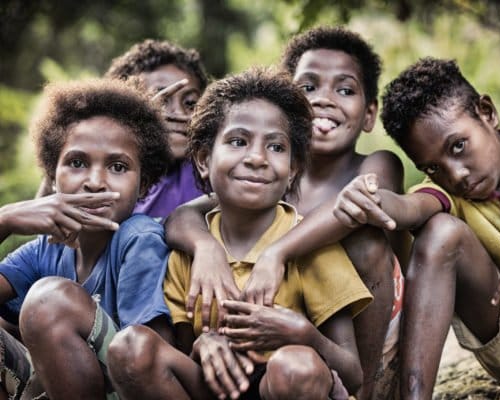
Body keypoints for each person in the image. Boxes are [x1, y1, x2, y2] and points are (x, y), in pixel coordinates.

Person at [164, 26, 409, 399]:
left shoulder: (373, 164)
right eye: (309, 88)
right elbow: (186, 214)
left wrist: (276, 253)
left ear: (368, 113)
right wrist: (205, 247)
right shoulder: (258, 181)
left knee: (365, 242)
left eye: (344, 89)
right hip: (272, 360)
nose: (324, 100)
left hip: (357, 333)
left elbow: (348, 210)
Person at [332, 57, 500, 399]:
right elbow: (411, 207)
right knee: (441, 232)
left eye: (458, 146)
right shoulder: (452, 195)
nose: (455, 174)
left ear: (486, 112)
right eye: (432, 167)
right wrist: (367, 198)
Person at [106, 67, 373, 400]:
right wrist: (205, 343)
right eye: (238, 141)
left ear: (291, 171)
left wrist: (304, 335)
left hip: (285, 387)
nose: (257, 158)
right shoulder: (188, 255)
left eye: (276, 147)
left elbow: (353, 374)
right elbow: (183, 356)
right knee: (131, 346)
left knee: (296, 366)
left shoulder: (310, 246)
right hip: (215, 390)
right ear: (203, 160)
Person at [0, 78, 174, 399]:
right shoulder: (46, 249)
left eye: (118, 166)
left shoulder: (139, 238)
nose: (95, 182)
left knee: (49, 300)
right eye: (77, 163)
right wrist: (6, 219)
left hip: (131, 387)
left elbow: (148, 358)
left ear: (145, 185)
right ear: (52, 178)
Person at [36, 39, 209, 222]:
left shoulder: (210, 169)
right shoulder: (108, 179)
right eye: (160, 103)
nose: (179, 113)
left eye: (190, 103)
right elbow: (46, 227)